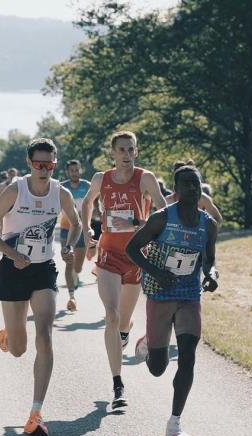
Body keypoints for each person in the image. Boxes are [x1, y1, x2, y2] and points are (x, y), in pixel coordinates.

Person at [0, 138, 81, 436]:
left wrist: (68, 247)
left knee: (45, 334)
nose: (44, 169)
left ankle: (36, 413)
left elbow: (75, 224)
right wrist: (12, 254)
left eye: (49, 165)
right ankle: (9, 335)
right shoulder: (16, 190)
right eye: (39, 164)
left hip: (44, 270)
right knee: (19, 350)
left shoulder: (60, 193)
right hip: (13, 270)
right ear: (29, 163)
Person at [126, 165, 218, 436]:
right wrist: (156, 272)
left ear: (201, 187)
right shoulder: (161, 218)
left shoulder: (208, 224)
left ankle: (175, 423)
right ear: (177, 190)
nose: (192, 188)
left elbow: (210, 259)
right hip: (160, 291)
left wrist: (212, 275)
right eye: (186, 183)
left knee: (188, 355)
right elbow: (132, 249)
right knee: (158, 368)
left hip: (190, 293)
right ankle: (148, 343)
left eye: (196, 183)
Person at [81, 131, 166, 409]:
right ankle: (118, 384)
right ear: (113, 154)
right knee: (111, 315)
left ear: (136, 152)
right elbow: (87, 203)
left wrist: (148, 228)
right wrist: (86, 234)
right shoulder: (100, 179)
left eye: (131, 150)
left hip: (136, 257)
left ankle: (126, 333)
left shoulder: (145, 178)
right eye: (122, 150)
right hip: (108, 254)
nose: (127, 155)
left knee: (124, 322)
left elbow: (164, 211)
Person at [60, 160, 91, 311]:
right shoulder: (62, 187)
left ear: (81, 170)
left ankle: (76, 275)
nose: (74, 173)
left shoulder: (87, 186)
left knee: (78, 266)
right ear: (67, 172)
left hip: (83, 229)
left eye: (76, 170)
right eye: (71, 170)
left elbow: (94, 204)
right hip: (67, 229)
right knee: (69, 261)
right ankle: (71, 296)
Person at [166, 161, 222, 226]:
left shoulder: (202, 198)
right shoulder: (168, 200)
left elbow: (217, 218)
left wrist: (206, 232)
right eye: (184, 181)